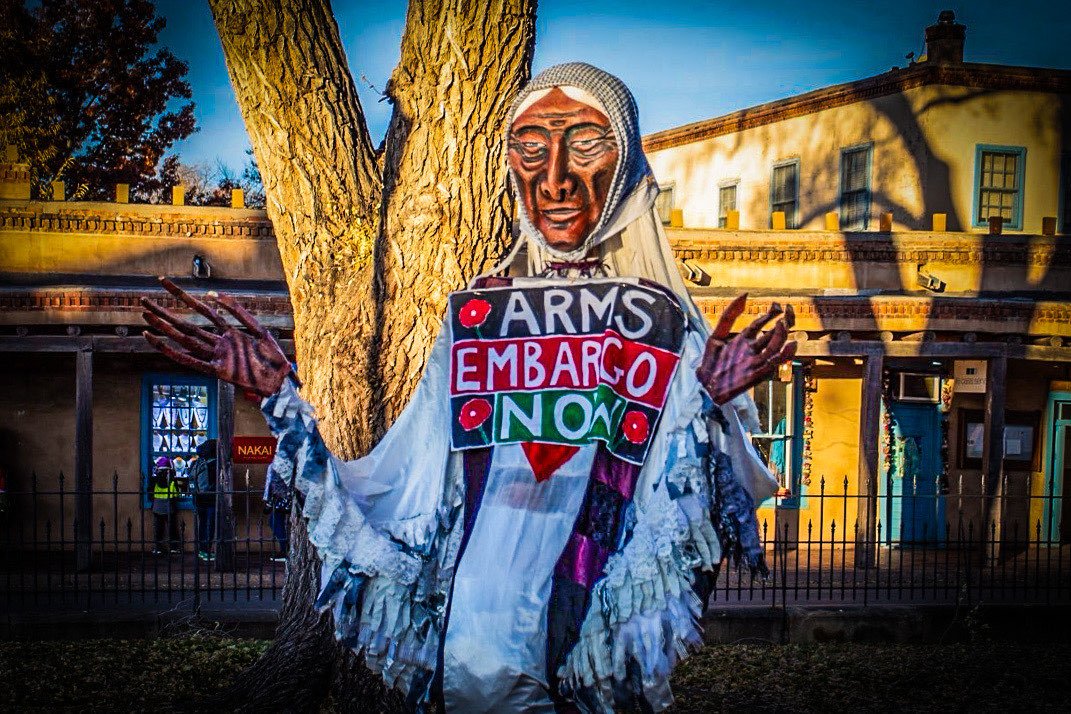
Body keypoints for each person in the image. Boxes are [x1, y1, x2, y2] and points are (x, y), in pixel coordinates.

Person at [140, 63, 795, 712]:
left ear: (624, 168)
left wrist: (703, 406)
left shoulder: (657, 324)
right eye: (530, 149)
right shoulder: (478, 315)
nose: (557, 179)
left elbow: (686, 512)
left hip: (585, 658)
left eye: (587, 146)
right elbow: (401, 482)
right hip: (465, 655)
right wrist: (282, 397)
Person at [189, 438, 218, 561]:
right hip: (210, 499)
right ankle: (206, 551)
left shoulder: (197, 463)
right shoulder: (214, 464)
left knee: (202, 524)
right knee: (209, 525)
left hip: (198, 498)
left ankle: (202, 550)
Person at [150, 456, 180, 555]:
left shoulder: (155, 478)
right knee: (172, 528)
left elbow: (150, 492)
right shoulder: (171, 478)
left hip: (157, 507)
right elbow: (176, 494)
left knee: (158, 529)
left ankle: (158, 547)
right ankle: (174, 547)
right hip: (169, 506)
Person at [263, 462, 291, 562]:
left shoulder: (275, 464)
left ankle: (285, 549)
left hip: (281, 499)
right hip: (289, 497)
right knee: (277, 522)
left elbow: (270, 484)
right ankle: (285, 548)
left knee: (274, 521)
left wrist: (268, 502)